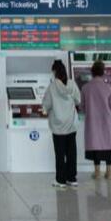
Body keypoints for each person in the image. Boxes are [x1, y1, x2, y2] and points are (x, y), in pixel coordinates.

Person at [42, 59, 81, 189]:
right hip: (71, 123)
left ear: (54, 72)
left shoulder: (52, 87)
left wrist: (44, 110)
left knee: (60, 154)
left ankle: (60, 180)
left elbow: (46, 104)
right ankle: (72, 178)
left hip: (58, 125)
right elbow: (78, 100)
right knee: (71, 152)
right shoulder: (72, 84)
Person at [80, 60, 111, 179]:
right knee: (108, 146)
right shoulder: (108, 88)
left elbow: (82, 107)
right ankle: (109, 172)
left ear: (92, 72)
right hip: (106, 122)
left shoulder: (85, 88)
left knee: (95, 146)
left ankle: (97, 172)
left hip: (92, 123)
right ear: (103, 72)